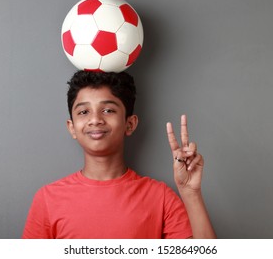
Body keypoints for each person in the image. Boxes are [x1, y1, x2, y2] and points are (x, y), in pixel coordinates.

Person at [22, 70, 216, 239]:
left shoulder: (160, 197)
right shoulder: (48, 199)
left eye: (108, 110)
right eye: (83, 112)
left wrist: (190, 193)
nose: (95, 119)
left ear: (129, 124)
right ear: (72, 128)